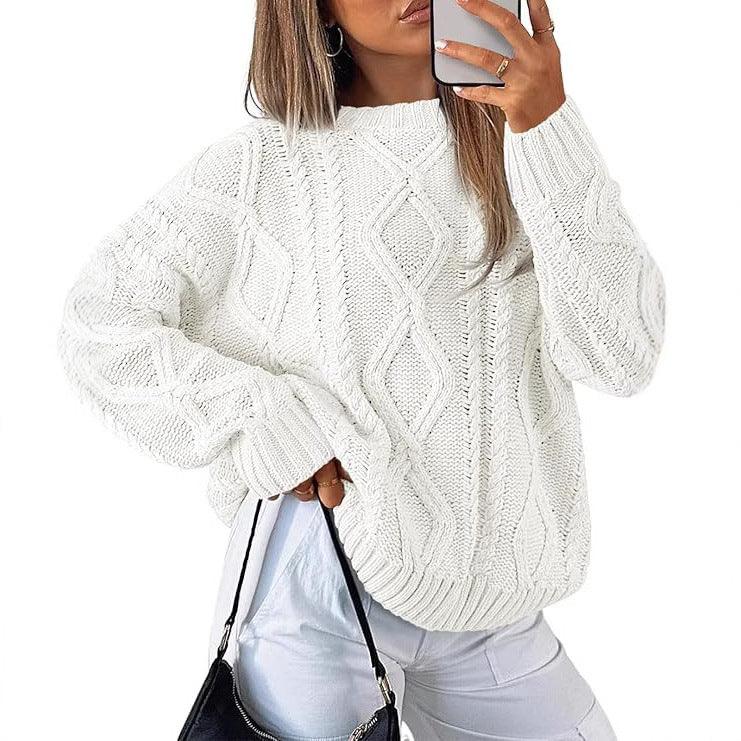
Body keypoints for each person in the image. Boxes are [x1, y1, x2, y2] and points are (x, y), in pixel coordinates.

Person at [57, 0, 666, 738]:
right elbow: (100, 320)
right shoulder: (258, 167)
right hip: (319, 576)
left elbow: (622, 355)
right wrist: (262, 417)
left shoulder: (523, 148)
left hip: (497, 597)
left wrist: (547, 126)